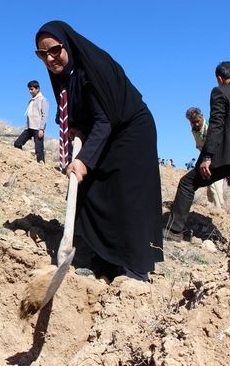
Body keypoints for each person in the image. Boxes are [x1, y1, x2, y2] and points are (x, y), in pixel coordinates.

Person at [35, 21, 163, 281]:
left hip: (130, 132)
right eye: (42, 54)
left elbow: (104, 119)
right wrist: (75, 128)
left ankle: (136, 269)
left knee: (127, 197)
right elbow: (80, 113)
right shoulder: (64, 77)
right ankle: (105, 259)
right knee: (92, 191)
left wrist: (83, 161)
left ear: (67, 45)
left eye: (55, 50)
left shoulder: (92, 70)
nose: (49, 58)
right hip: (103, 132)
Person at [165, 62, 230, 241]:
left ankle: (173, 231)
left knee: (187, 184)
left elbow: (216, 126)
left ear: (220, 78)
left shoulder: (220, 91)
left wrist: (207, 156)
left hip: (227, 156)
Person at [185, 107, 225, 209]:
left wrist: (208, 158)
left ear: (202, 117)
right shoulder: (194, 130)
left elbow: (215, 143)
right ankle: (217, 204)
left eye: (197, 121)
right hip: (204, 156)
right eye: (193, 122)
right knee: (210, 183)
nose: (196, 124)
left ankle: (219, 207)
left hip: (215, 155)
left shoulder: (209, 127)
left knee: (214, 182)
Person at [13, 80, 49, 163]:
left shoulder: (43, 100)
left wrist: (42, 129)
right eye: (29, 89)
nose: (30, 91)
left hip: (38, 128)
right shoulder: (31, 100)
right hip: (29, 127)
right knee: (18, 143)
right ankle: (22, 160)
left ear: (38, 89)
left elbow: (45, 115)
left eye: (32, 89)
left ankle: (41, 167)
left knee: (39, 150)